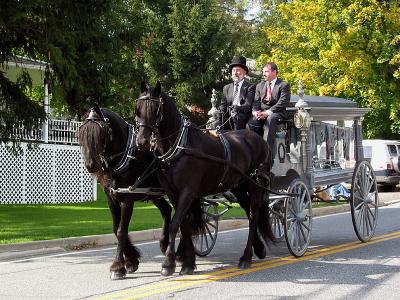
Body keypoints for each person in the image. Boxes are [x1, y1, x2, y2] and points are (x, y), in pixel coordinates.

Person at [247, 62, 290, 152]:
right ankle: (253, 150)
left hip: (277, 113)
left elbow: (282, 103)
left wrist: (267, 113)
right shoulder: (260, 85)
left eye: (266, 71)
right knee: (251, 122)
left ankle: (266, 151)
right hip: (262, 113)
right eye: (263, 72)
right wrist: (256, 113)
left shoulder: (283, 85)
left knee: (270, 119)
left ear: (274, 72)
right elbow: (256, 102)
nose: (263, 74)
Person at [220, 56, 255, 130]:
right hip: (229, 116)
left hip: (242, 116)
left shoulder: (250, 87)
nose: (235, 73)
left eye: (238, 70)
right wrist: (219, 115)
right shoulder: (226, 88)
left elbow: (248, 105)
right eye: (233, 70)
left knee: (237, 118)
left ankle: (236, 141)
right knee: (216, 121)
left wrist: (237, 108)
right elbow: (223, 105)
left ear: (244, 72)